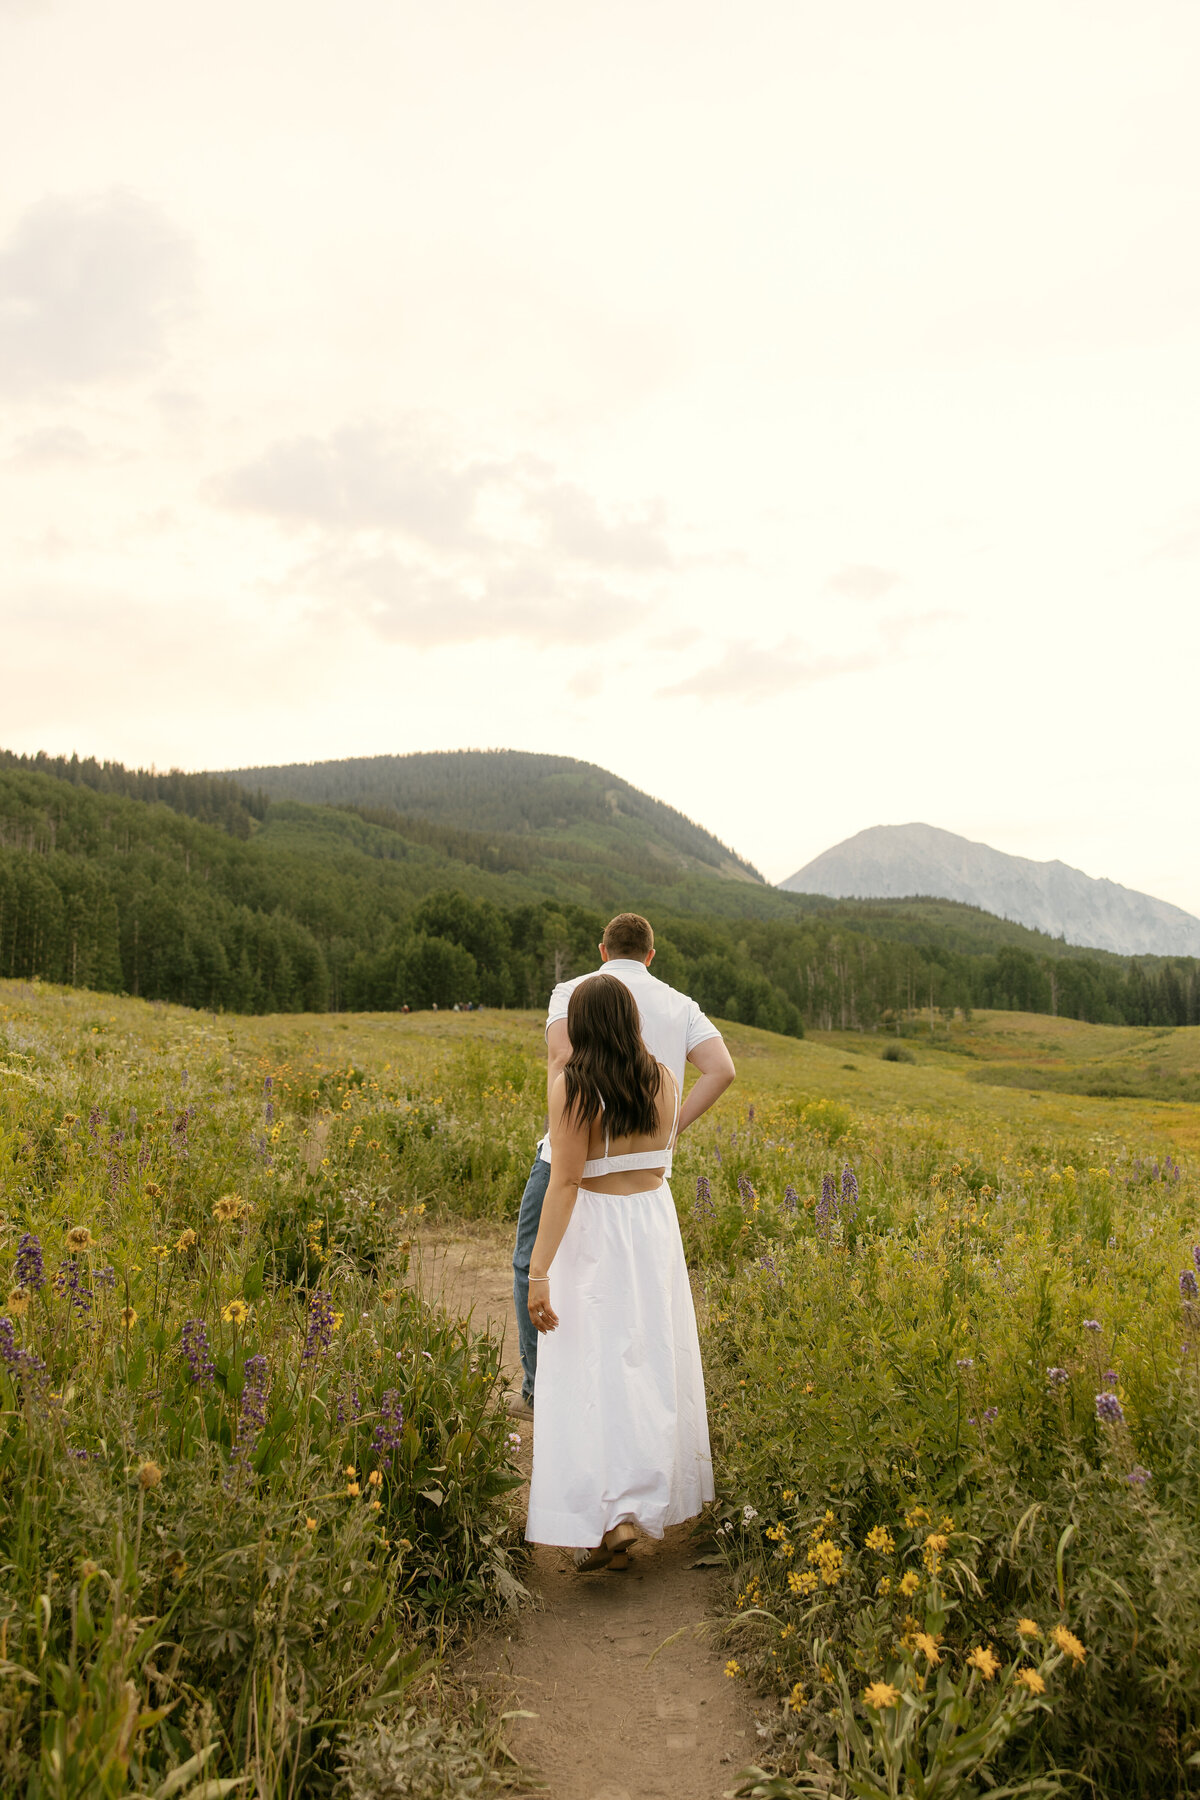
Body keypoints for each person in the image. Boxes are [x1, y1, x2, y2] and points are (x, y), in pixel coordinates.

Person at [509, 911, 735, 1418]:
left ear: (602, 951)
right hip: (647, 1176)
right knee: (632, 1295)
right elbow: (722, 1069)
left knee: (538, 1266)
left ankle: (540, 1392)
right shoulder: (680, 1006)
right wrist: (669, 1126)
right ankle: (627, 1406)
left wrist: (573, 1125)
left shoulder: (573, 990)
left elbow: (562, 1062)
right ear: (651, 955)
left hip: (571, 1159)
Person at [524, 973, 714, 1569]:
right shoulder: (663, 1078)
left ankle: (608, 1519)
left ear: (581, 1027)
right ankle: (636, 1505)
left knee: (590, 1367)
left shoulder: (574, 1088)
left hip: (598, 1227)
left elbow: (567, 1181)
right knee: (646, 1361)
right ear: (629, 1020)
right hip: (653, 1223)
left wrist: (537, 1271)